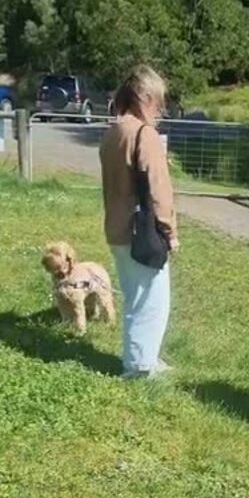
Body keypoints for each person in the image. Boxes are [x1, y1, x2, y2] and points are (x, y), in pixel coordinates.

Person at [100, 65, 178, 379]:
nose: (161, 109)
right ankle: (139, 367)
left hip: (116, 228)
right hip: (142, 232)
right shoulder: (145, 135)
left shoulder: (113, 131)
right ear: (144, 97)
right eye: (158, 102)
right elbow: (160, 190)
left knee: (136, 296)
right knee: (152, 301)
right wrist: (170, 232)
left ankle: (145, 358)